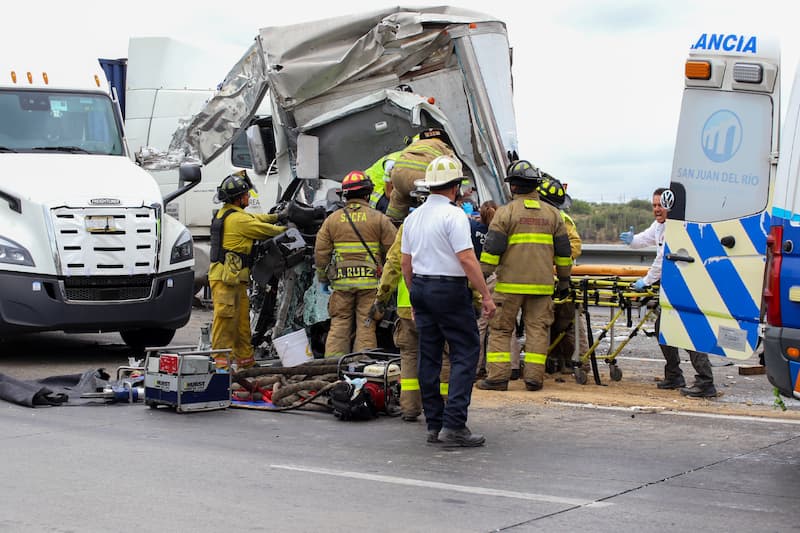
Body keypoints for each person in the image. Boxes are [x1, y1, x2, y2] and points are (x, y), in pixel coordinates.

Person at [401, 155, 495, 447]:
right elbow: (467, 259)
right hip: (449, 290)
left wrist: (415, 298)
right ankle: (454, 424)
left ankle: (435, 424)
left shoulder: (413, 217)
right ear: (455, 187)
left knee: (428, 355)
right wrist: (486, 296)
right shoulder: (454, 216)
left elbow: (406, 264)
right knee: (465, 352)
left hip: (422, 288)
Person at [477, 160, 572, 392]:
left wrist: (479, 281)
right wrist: (565, 281)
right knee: (537, 331)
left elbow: (491, 253)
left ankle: (498, 378)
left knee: (500, 330)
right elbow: (563, 253)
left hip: (508, 286)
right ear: (535, 186)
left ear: (514, 187)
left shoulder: (505, 213)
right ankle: (534, 378)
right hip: (542, 287)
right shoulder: (553, 215)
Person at [620, 187, 717, 398]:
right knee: (662, 326)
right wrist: (631, 240)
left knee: (690, 333)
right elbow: (643, 239)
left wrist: (645, 281)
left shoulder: (676, 228)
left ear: (669, 206)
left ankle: (706, 382)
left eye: (660, 205)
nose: (657, 209)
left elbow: (662, 260)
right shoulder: (659, 226)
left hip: (687, 287)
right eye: (654, 205)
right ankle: (674, 375)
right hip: (674, 288)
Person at [373, 183, 451, 422]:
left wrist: (381, 297)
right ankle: (444, 407)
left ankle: (409, 408)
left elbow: (394, 264)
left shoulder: (409, 225)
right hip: (439, 304)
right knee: (444, 356)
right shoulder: (450, 222)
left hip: (408, 307)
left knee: (409, 356)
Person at [209, 172, 287, 370]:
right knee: (225, 323)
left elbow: (257, 217)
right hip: (225, 281)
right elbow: (263, 229)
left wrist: (278, 216)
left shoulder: (230, 213)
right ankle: (221, 367)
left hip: (233, 279)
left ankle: (246, 364)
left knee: (242, 323)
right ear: (237, 198)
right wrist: (287, 227)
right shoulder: (237, 220)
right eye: (245, 195)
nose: (248, 197)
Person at [315, 170, 397, 357]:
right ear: (367, 194)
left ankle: (331, 368)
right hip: (370, 285)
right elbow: (394, 250)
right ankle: (361, 367)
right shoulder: (379, 219)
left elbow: (321, 253)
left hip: (342, 284)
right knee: (366, 323)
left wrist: (323, 278)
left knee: (339, 323)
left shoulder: (332, 220)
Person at [535, 173, 585, 375]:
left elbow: (574, 247)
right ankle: (555, 362)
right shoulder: (544, 217)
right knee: (550, 324)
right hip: (547, 277)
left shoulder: (562, 220)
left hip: (558, 278)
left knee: (570, 323)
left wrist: (550, 258)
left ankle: (580, 363)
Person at [386, 128, 455, 225]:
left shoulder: (414, 145)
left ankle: (392, 224)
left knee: (398, 200)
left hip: (398, 175)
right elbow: (454, 169)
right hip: (420, 178)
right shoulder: (443, 146)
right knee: (439, 196)